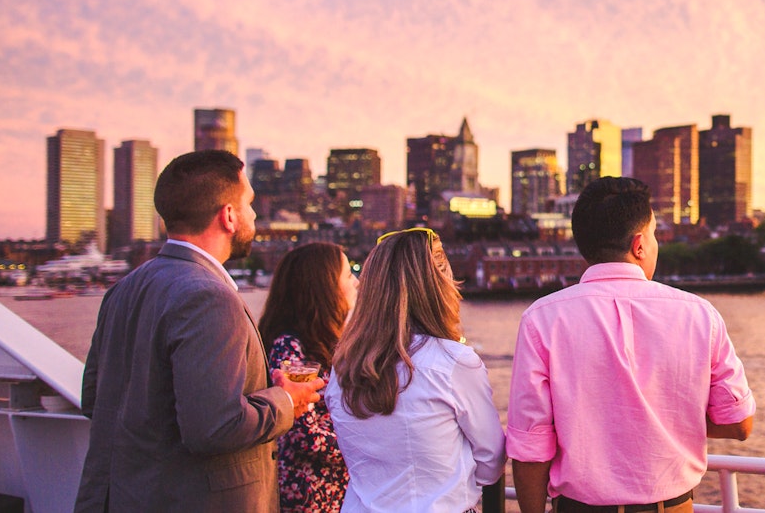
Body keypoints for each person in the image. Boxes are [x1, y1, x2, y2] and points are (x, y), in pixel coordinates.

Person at [75, 150, 324, 513]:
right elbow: (214, 428)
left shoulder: (123, 289)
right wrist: (285, 400)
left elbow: (94, 397)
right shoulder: (209, 297)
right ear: (228, 215)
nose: (255, 216)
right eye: (250, 204)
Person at [506, 177, 756, 513]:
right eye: (654, 235)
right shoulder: (699, 315)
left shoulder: (542, 319)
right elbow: (739, 423)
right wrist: (670, 415)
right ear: (639, 245)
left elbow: (530, 446)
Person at [326, 227, 506, 513]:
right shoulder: (454, 362)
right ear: (439, 284)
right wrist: (452, 486)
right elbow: (492, 459)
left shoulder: (343, 367)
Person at [258, 242, 357, 512]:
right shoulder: (290, 347)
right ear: (325, 286)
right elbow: (303, 435)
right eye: (348, 275)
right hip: (308, 501)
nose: (356, 283)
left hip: (334, 497)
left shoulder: (327, 344)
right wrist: (367, 443)